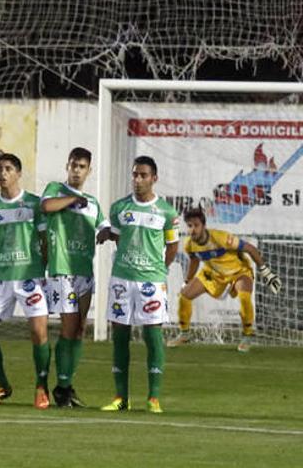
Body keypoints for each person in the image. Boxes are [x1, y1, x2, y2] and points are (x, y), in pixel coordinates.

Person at [98, 156, 179, 414]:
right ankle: (121, 397)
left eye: (143, 175)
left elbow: (173, 246)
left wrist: (158, 271)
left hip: (151, 282)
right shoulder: (119, 208)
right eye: (135, 174)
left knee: (152, 335)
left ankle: (153, 397)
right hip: (122, 279)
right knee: (119, 336)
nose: (138, 179)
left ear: (154, 178)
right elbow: (120, 238)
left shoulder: (166, 211)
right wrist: (106, 233)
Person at [0, 154, 51, 408]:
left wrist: (42, 270)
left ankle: (42, 387)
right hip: (1, 277)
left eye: (8, 169)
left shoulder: (34, 204)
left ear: (19, 173)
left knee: (39, 332)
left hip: (30, 276)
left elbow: (44, 241)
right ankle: (1, 385)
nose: (2, 173)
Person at [40, 147, 108, 407]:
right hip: (62, 271)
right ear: (67, 166)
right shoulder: (56, 190)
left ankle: (65, 385)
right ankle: (62, 388)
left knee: (79, 330)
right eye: (73, 166)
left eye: (82, 167)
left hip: (84, 272)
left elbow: (104, 227)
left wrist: (109, 233)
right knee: (68, 328)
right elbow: (45, 207)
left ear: (89, 171)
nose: (77, 171)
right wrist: (71, 200)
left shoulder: (93, 203)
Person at [167, 208, 282, 352]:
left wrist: (267, 274)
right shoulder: (190, 245)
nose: (193, 229)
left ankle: (247, 335)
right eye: (190, 226)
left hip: (238, 272)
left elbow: (251, 249)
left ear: (203, 225)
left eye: (196, 225)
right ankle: (185, 334)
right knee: (184, 296)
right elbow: (194, 261)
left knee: (244, 297)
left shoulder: (221, 238)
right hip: (214, 274)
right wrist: (186, 281)